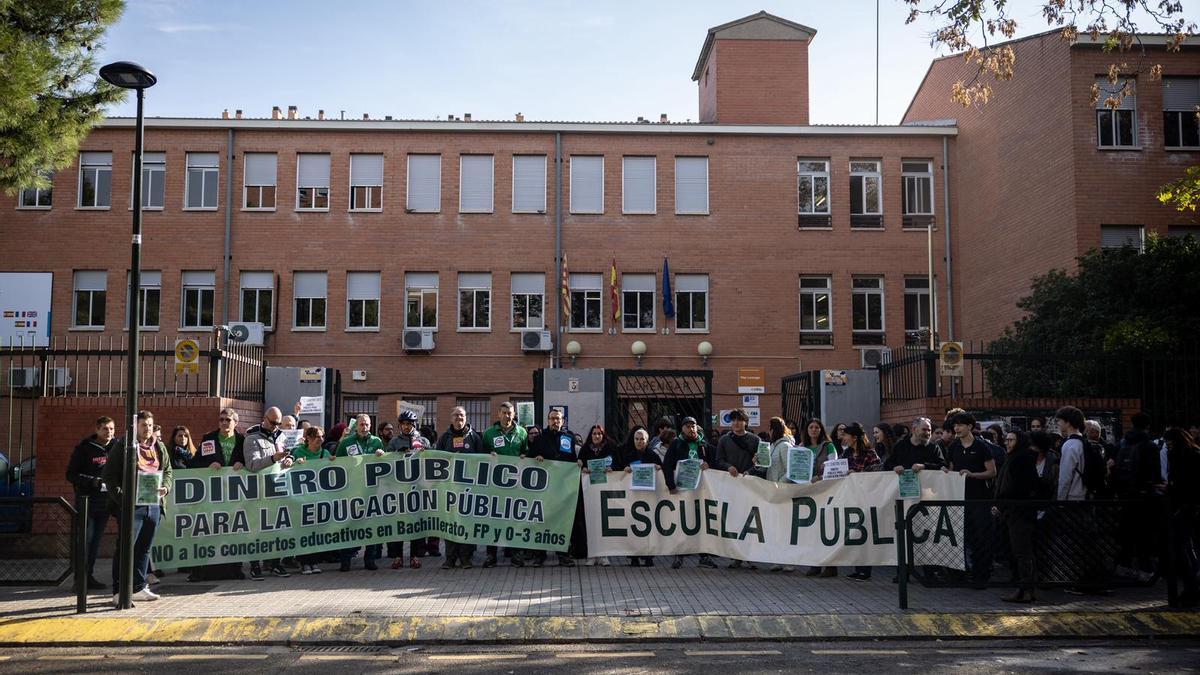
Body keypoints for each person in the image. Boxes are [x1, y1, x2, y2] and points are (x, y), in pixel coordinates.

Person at [103, 410, 171, 605]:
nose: (147, 429)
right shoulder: (124, 446)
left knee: (144, 549)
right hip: (133, 506)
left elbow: (168, 470)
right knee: (126, 548)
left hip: (153, 504)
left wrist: (165, 487)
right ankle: (118, 591)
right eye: (143, 425)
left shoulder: (158, 445)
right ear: (135, 426)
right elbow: (109, 475)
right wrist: (122, 498)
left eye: (150, 425)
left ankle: (138, 587)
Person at [187, 409, 246, 582]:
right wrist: (208, 464)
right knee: (208, 531)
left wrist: (242, 462)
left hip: (234, 495)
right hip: (212, 495)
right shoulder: (209, 439)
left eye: (228, 420)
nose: (224, 422)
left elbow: (251, 461)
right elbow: (194, 463)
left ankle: (236, 569)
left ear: (235, 422)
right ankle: (198, 571)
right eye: (221, 420)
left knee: (234, 532)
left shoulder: (242, 440)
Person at [66, 416, 119, 591]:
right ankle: (80, 579)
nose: (109, 432)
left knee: (95, 541)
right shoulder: (84, 448)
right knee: (86, 540)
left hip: (106, 502)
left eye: (111, 429)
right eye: (105, 429)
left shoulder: (117, 447)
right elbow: (71, 474)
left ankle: (89, 576)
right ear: (97, 429)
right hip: (87, 501)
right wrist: (92, 481)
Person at [945, 411, 997, 588]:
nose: (957, 428)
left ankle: (981, 575)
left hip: (979, 499)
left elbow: (992, 471)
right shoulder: (953, 447)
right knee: (960, 537)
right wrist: (947, 473)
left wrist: (972, 475)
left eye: (960, 425)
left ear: (970, 426)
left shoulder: (982, 447)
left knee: (981, 539)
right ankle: (960, 574)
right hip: (960, 499)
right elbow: (951, 468)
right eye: (955, 425)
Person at [243, 407, 295, 579]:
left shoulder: (281, 436)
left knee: (276, 529)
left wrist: (289, 459)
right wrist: (273, 458)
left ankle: (275, 563)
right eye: (273, 423)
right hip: (258, 492)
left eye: (278, 423)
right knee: (256, 530)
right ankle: (255, 565)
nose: (276, 426)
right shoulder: (252, 437)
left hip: (277, 490)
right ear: (264, 419)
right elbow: (252, 464)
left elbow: (290, 452)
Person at [662, 416, 717, 569]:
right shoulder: (676, 444)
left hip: (701, 491)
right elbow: (667, 465)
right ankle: (679, 554)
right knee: (683, 522)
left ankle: (704, 556)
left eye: (693, 426)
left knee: (701, 522)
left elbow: (715, 463)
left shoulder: (704, 444)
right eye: (687, 426)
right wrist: (671, 485)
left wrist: (708, 465)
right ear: (682, 429)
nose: (691, 429)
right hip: (683, 490)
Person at [526, 407, 577, 567]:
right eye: (552, 418)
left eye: (558, 419)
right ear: (548, 420)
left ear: (563, 421)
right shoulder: (540, 438)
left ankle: (563, 554)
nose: (555, 421)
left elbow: (572, 460)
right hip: (544, 487)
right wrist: (536, 458)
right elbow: (530, 458)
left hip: (562, 487)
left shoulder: (569, 438)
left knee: (562, 520)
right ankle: (540, 555)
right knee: (542, 520)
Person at [334, 414, 385, 571]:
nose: (364, 427)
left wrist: (382, 456)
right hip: (352, 491)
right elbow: (338, 463)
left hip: (371, 491)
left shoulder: (377, 441)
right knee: (350, 526)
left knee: (371, 524)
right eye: (361, 424)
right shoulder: (346, 442)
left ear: (371, 426)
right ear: (356, 426)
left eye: (367, 424)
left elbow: (386, 464)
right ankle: (345, 560)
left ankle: (370, 559)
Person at [994, 430, 1040, 603]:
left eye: (1011, 440)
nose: (1007, 443)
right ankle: (1026, 588)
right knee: (1020, 551)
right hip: (1014, 510)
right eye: (1006, 439)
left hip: (1019, 511)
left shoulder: (1021, 459)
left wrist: (1002, 504)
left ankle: (1026, 589)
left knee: (1022, 551)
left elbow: (1016, 487)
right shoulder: (1014, 457)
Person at [480, 402, 528, 568]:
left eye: (510, 413)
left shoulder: (522, 432)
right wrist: (488, 455)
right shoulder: (489, 433)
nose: (507, 416)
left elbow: (526, 451)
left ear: (514, 415)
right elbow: (480, 455)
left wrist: (525, 456)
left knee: (515, 519)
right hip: (495, 485)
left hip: (515, 485)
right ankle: (491, 555)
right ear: (499, 414)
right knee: (493, 519)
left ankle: (516, 555)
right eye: (504, 413)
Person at [437, 406, 484, 569]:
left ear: (466, 417)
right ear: (451, 418)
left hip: (469, 489)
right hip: (450, 489)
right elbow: (436, 460)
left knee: (467, 523)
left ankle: (466, 558)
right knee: (450, 522)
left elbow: (482, 460)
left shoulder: (474, 437)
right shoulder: (444, 438)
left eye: (462, 415)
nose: (459, 418)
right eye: (456, 415)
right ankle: (450, 558)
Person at [386, 409, 433, 569]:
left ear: (414, 425)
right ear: (400, 425)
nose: (406, 427)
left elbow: (431, 461)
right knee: (399, 523)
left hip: (418, 488)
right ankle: (397, 556)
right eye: (404, 424)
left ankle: (415, 556)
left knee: (417, 523)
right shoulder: (394, 442)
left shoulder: (423, 441)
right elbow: (387, 463)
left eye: (409, 424)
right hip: (399, 489)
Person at [614, 427, 661, 567]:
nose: (639, 442)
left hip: (649, 497)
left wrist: (659, 468)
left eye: (642, 439)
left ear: (647, 441)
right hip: (633, 497)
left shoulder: (653, 456)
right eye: (637, 439)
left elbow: (662, 469)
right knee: (633, 526)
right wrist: (625, 469)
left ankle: (648, 556)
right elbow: (618, 471)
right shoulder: (628, 456)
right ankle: (634, 556)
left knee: (649, 528)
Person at [1163, 428, 1200, 607]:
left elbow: (1183, 483)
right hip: (1189, 507)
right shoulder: (1191, 454)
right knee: (1188, 548)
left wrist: (1170, 488)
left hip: (1185, 507)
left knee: (1185, 549)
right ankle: (1191, 587)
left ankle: (1192, 588)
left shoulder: (1184, 457)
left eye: (1170, 443)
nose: (1168, 447)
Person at [842, 424, 880, 581]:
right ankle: (858, 568)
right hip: (852, 498)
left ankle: (865, 570)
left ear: (854, 437)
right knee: (855, 533)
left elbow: (878, 471)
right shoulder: (846, 453)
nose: (844, 438)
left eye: (846, 435)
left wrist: (859, 473)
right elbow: (837, 468)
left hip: (866, 498)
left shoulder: (870, 453)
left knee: (866, 533)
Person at [292, 425, 332, 574]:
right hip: (302, 499)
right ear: (308, 438)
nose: (320, 439)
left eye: (322, 436)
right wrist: (296, 463)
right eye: (317, 437)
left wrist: (333, 462)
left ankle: (314, 562)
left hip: (319, 499)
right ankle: (304, 562)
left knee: (316, 531)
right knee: (304, 531)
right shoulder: (298, 452)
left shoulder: (325, 453)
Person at [578, 424, 618, 566]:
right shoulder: (585, 449)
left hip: (606, 490)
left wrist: (611, 468)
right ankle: (592, 555)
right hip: (589, 491)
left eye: (599, 433)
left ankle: (604, 555)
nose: (596, 436)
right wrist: (583, 468)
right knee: (590, 522)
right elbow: (580, 463)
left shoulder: (611, 448)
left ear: (603, 435)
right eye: (594, 433)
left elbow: (618, 463)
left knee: (604, 522)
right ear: (591, 435)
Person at [760, 418, 795, 572]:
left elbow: (789, 470)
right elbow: (767, 467)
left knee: (785, 528)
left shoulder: (785, 446)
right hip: (773, 493)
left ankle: (788, 561)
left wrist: (779, 485)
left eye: (770, 428)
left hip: (782, 493)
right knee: (775, 527)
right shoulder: (773, 446)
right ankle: (777, 559)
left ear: (774, 429)